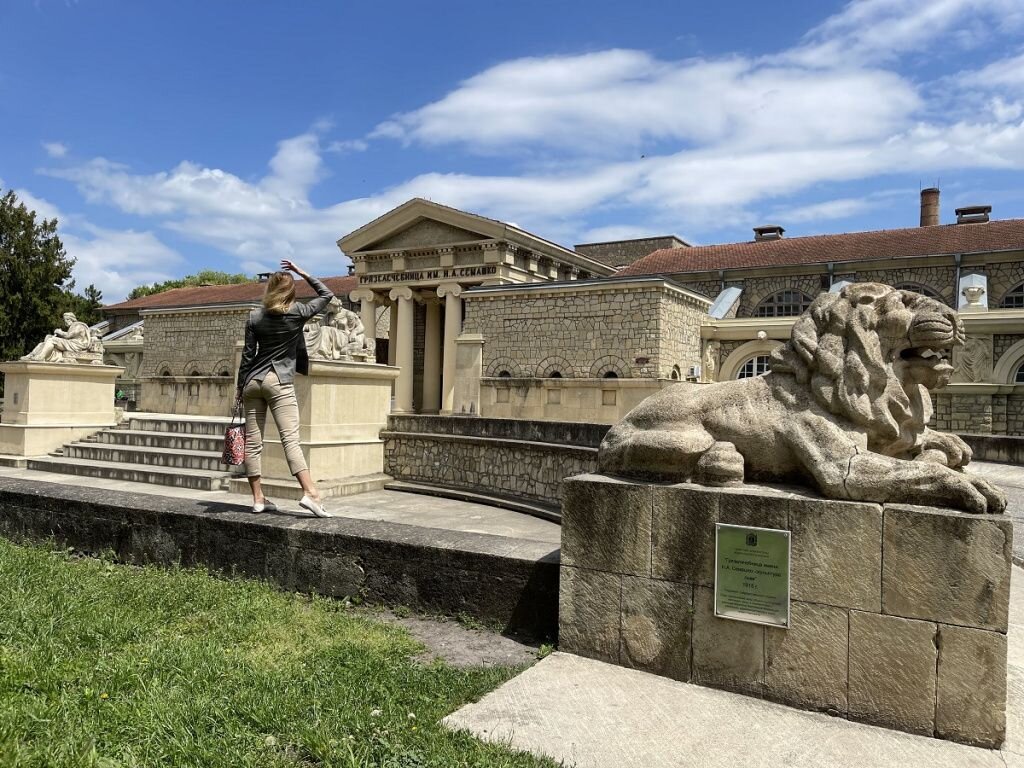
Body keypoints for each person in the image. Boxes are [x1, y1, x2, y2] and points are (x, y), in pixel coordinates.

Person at [236, 260, 333, 516]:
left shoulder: (255, 317)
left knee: (253, 443)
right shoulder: (298, 311)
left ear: (269, 290)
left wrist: (239, 387)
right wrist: (303, 273)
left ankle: (258, 498)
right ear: (291, 291)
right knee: (290, 439)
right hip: (278, 381)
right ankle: (311, 493)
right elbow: (327, 294)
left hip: (252, 382)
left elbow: (248, 356)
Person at [22, 312, 91, 362]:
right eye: (65, 320)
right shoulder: (72, 327)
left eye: (66, 320)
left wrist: (59, 332)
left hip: (77, 345)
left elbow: (68, 335)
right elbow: (68, 336)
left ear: (71, 319)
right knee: (42, 343)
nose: (65, 322)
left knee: (52, 340)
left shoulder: (79, 326)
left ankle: (41, 357)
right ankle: (31, 355)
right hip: (71, 343)